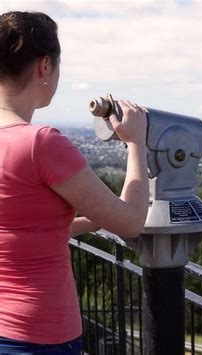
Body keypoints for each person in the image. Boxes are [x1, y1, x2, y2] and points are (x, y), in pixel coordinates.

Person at [0, 11, 149, 353]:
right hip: (39, 337)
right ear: (45, 66)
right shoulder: (40, 143)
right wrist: (136, 143)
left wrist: (94, 216)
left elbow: (24, 230)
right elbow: (130, 221)